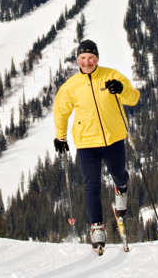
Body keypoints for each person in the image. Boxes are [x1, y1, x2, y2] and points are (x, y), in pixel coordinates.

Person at [53, 39, 140, 251]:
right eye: (83, 58)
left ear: (97, 59)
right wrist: (60, 137)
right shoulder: (71, 86)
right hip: (86, 143)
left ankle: (122, 189)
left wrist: (121, 89)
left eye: (91, 58)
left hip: (113, 138)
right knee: (92, 185)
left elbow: (133, 98)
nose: (87, 62)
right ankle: (96, 227)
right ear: (77, 60)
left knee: (118, 173)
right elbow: (61, 111)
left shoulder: (112, 76)